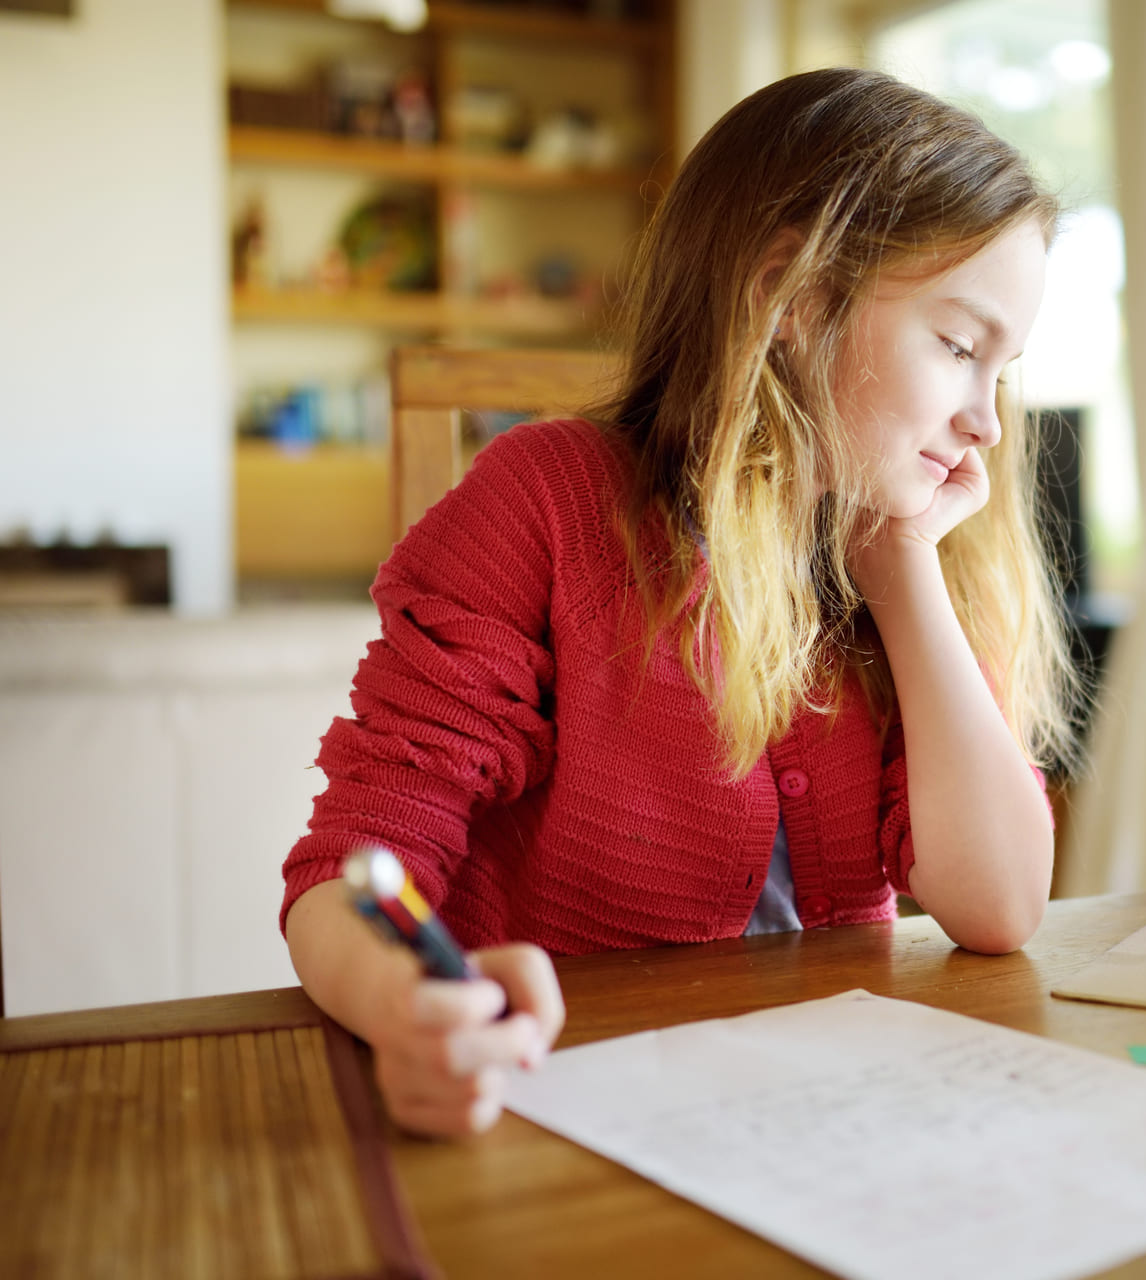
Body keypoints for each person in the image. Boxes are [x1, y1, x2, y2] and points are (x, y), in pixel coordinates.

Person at [279, 68, 1076, 1138]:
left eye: (1004, 371)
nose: (987, 420)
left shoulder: (887, 547)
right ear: (793, 299)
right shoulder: (545, 507)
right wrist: (403, 1010)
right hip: (575, 1107)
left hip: (822, 1109)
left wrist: (904, 570)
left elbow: (1001, 902)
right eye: (959, 345)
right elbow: (352, 865)